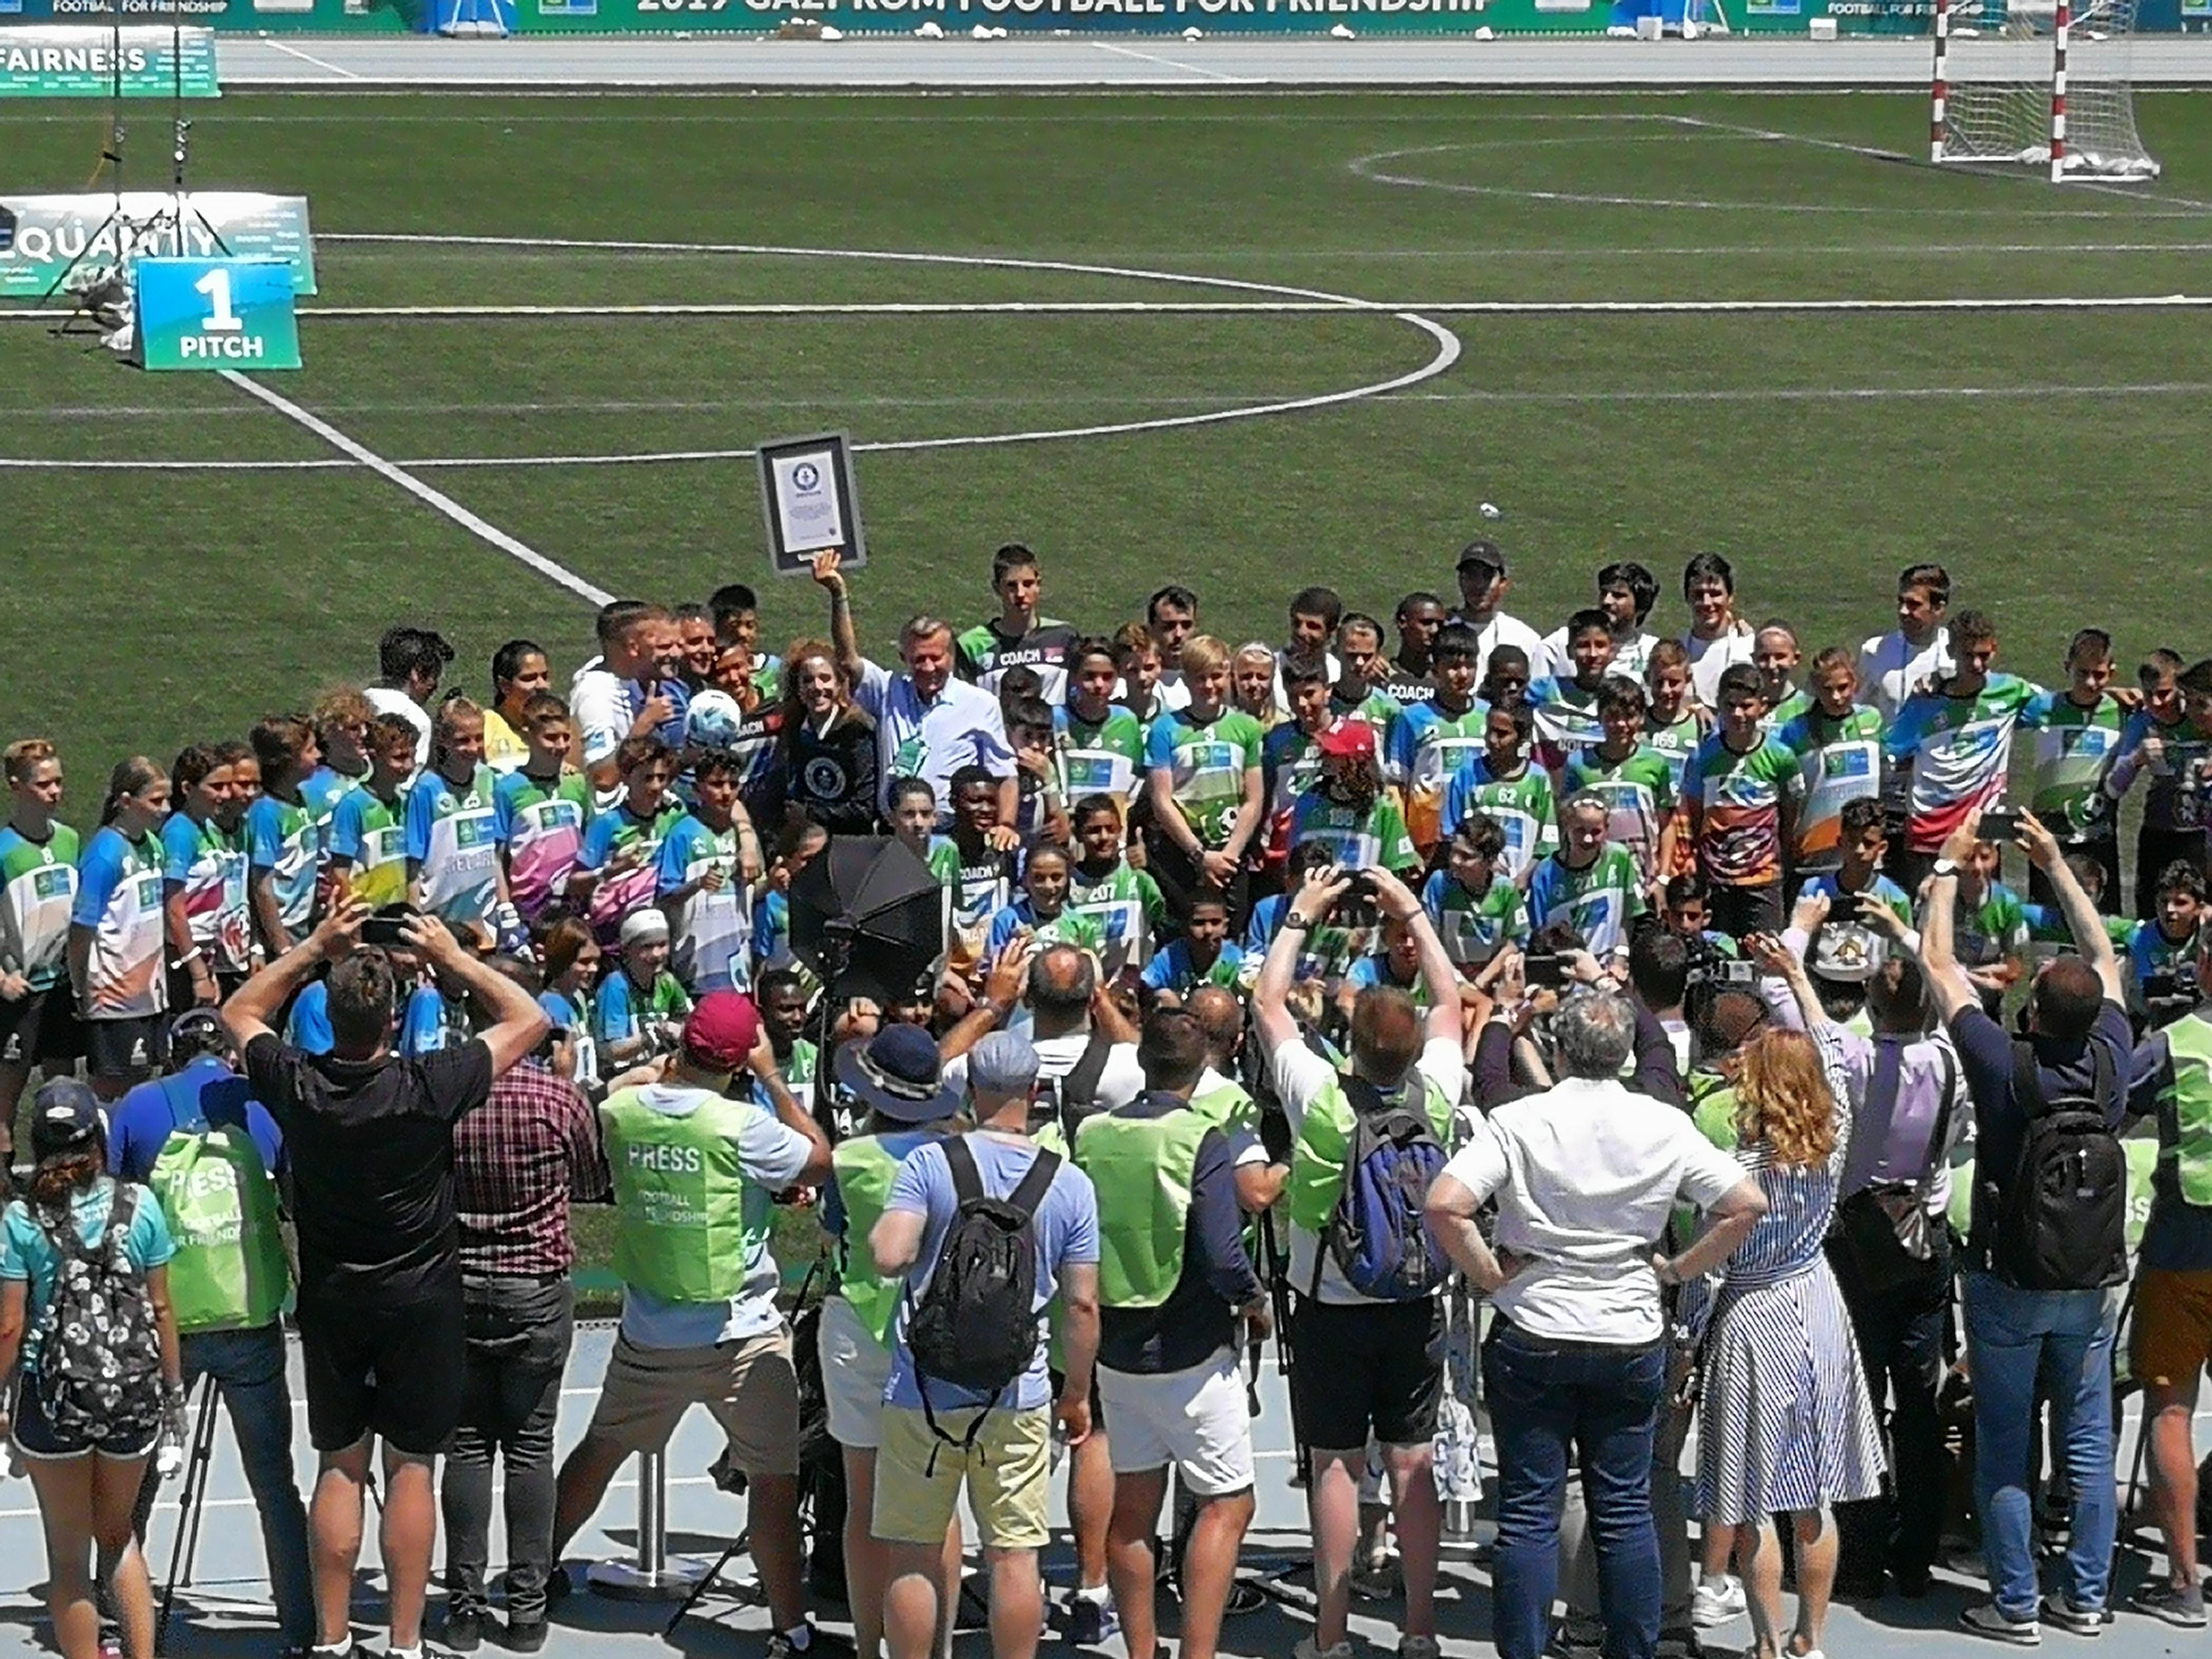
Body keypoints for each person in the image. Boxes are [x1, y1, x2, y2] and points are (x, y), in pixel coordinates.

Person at [221, 897, 549, 1659]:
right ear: (394, 1021)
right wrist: (452, 958)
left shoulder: (299, 1082)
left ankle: (332, 1639)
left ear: (327, 1019)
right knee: (411, 1470)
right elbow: (529, 1018)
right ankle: (404, 1642)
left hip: (335, 1298)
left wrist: (313, 946)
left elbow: (239, 1011)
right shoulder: (428, 1084)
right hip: (421, 1300)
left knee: (340, 1465)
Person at [1425, 991, 1766, 1659]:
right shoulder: (1663, 1123)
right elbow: (1744, 1203)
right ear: (1626, 1054)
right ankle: (1632, 1649)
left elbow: (1445, 1204)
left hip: (1535, 1325)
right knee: (1624, 1508)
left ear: (1557, 1051)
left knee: (1528, 1512)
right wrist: (1677, 1268)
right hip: (1627, 1328)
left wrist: (1489, 1273)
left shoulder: (1520, 1119)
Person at [1919, 808, 2130, 1642]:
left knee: (2007, 1442)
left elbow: (1939, 965)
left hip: (2008, 1277)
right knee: (2089, 1440)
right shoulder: (2112, 1056)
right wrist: (2055, 864)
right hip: (2088, 1277)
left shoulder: (2004, 1065)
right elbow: (2104, 956)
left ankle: (2014, 1602)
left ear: (2032, 1012)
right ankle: (2085, 1596)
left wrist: (1944, 870)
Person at [1253, 864, 1463, 1659]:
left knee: (1335, 1467)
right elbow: (1451, 1002)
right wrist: (1411, 910)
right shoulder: (1436, 1090)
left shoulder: (1320, 1095)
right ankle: (1420, 1629)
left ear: (1351, 1046)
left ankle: (1331, 1634)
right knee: (1413, 1463)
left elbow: (1268, 1003)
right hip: (1414, 1302)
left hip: (1330, 1305)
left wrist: (1301, 914)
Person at [865, 1032, 1099, 1659]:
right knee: (1014, 1557)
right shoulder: (1069, 1184)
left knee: (913, 1554)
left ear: (970, 1091)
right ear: (1034, 1092)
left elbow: (888, 1255)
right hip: (1016, 1391)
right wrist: (1076, 1393)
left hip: (923, 1391)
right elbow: (1082, 1305)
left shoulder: (928, 1164)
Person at [110, 1009, 313, 1653]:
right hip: (250, 1316)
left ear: (172, 1054)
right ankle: (302, 1624)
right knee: (274, 1482)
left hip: (169, 1318)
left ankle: (120, 1617)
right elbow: (291, 1200)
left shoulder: (140, 1105)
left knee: (139, 1477)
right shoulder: (262, 1105)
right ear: (227, 1055)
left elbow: (116, 1202)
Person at [1685, 1026, 1888, 1659]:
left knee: (1752, 1496)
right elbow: (1836, 1057)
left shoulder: (1737, 1171)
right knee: (1812, 1496)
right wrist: (1799, 982)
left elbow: (1708, 1268)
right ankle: (1810, 1638)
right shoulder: (1830, 1146)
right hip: (1817, 1304)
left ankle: (1768, 1642)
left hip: (1754, 1313)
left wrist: (1687, 1337)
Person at [1074, 1007, 1268, 1659]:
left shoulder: (1093, 1133)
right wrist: (1252, 1301)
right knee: (1226, 1505)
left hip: (1117, 1350)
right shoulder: (1200, 1136)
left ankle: (1141, 1650)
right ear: (1203, 1064)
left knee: (1133, 1511)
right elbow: (1221, 1251)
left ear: (1141, 1062)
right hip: (1192, 1349)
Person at [440, 981, 609, 1652]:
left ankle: (463, 1608)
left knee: (468, 1447)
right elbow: (592, 1184)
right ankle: (527, 1609)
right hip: (534, 1287)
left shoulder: (444, 1094)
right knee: (530, 1447)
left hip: (459, 1285)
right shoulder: (557, 1099)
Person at [0, 1079, 186, 1659]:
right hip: (131, 1395)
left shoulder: (22, 1219)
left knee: (68, 1557)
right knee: (119, 1536)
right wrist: (173, 1397)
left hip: (50, 1399)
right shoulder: (140, 1204)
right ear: (98, 1140)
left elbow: (9, 1325)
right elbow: (161, 1308)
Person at [820, 1025, 968, 1659]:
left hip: (859, 1326)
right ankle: (939, 1646)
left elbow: (831, 1233)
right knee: (939, 1504)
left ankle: (868, 1644)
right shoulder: (959, 1156)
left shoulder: (848, 1158)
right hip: (937, 1333)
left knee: (864, 1502)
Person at [2123, 916, 2212, 1628]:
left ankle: (2183, 1582)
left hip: (2181, 1247)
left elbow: (2106, 1110)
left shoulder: (2170, 1043)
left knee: (2170, 1409)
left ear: (2202, 970)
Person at [816, 551, 1018, 830]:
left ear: (951, 656)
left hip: (952, 833)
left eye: (936, 658)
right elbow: (847, 661)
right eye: (919, 659)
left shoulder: (981, 704)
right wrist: (838, 595)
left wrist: (1005, 825)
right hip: (895, 832)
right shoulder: (888, 691)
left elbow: (1004, 773)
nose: (928, 667)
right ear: (904, 658)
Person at [1882, 609, 2037, 894]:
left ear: (1994, 649)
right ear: (1951, 651)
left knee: (1983, 917)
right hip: (1930, 834)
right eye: (1968, 655)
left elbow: (2067, 706)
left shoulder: (2012, 692)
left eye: (1984, 655)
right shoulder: (1925, 702)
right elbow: (1891, 751)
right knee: (1928, 916)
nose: (1977, 664)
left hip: (1983, 836)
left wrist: (2114, 695)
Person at [1143, 634, 1265, 928]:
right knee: (1182, 932)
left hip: (1230, 856)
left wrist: (1230, 855)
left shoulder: (1247, 727)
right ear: (1186, 680)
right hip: (1183, 853)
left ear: (1228, 674)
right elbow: (1162, 800)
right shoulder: (1165, 728)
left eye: (1216, 676)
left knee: (1230, 933)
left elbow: (1253, 799)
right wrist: (1199, 855)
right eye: (1200, 678)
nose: (1209, 686)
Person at [0, 738, 83, 1162]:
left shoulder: (69, 840)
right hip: (21, 991)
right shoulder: (4, 851)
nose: (55, 792)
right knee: (6, 1098)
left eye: (59, 782)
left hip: (62, 988)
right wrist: (2, 979)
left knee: (61, 1090)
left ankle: (58, 1172)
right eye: (44, 784)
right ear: (16, 786)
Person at [71, 758, 173, 1100]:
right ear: (126, 802)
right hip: (114, 997)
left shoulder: (153, 845)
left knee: (142, 1085)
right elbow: (81, 930)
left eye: (167, 799)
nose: (165, 809)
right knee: (111, 1090)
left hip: (150, 994)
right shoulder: (105, 854)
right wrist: (81, 988)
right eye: (156, 801)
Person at [1682, 663, 1798, 939]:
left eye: (1746, 706)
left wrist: (1780, 859)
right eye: (1730, 705)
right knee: (1720, 952)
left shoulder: (1782, 757)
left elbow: (1790, 813)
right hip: (1716, 878)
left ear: (1762, 706)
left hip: (1763, 878)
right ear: (1719, 705)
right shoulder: (1702, 757)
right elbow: (1695, 816)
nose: (1738, 714)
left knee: (1765, 953)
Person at [2019, 628, 2127, 909]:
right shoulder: (2042, 707)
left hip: (2098, 838)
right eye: (2082, 673)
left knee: (2101, 924)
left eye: (2099, 675)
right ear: (2068, 667)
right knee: (2047, 924)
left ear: (2112, 672)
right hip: (2049, 838)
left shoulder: (2122, 712)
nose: (2091, 682)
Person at [656, 748, 763, 996]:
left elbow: (753, 893)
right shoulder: (682, 833)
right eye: (716, 784)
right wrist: (697, 884)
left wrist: (773, 883)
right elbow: (665, 897)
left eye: (733, 785)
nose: (726, 793)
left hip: (740, 964)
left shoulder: (745, 836)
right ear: (697, 790)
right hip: (696, 964)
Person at [1772, 647, 1885, 877]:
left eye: (1843, 688)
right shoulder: (1796, 729)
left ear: (1855, 683)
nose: (1836, 697)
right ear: (1815, 687)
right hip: (1814, 850)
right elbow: (1782, 791)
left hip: (1864, 851)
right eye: (1827, 689)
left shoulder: (1872, 719)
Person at [1385, 621, 1490, 858]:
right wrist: (1401, 847)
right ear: (1435, 669)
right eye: (1453, 667)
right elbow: (1397, 786)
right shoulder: (1412, 718)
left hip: (1478, 839)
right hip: (1428, 840)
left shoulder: (1489, 716)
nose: (1463, 675)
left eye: (1470, 666)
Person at [569, 599, 690, 802]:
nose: (676, 653)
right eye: (660, 643)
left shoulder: (624, 679)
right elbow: (603, 777)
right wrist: (644, 725)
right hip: (609, 816)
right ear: (634, 647)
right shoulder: (596, 693)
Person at [406, 697, 509, 937]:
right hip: (441, 921)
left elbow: (496, 855)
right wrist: (416, 922)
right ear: (444, 740)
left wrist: (506, 908)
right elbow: (413, 867)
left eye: (479, 738)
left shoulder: (488, 779)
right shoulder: (426, 789)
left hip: (485, 920)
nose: (473, 748)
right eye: (463, 740)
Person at [159, 744, 250, 1013]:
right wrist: (198, 972)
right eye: (216, 787)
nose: (226, 795)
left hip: (206, 953)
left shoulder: (208, 828)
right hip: (182, 957)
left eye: (228, 786)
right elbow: (173, 908)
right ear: (187, 788)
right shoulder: (179, 833)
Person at [492, 695, 593, 928]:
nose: (561, 746)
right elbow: (497, 856)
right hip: (530, 905)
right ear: (527, 736)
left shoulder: (576, 783)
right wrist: (505, 907)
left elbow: (586, 842)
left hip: (573, 902)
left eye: (566, 737)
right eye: (550, 738)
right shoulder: (508, 788)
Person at [1528, 792, 1647, 969]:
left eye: (1596, 832)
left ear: (1607, 828)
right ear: (1567, 826)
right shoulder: (1545, 873)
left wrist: (1620, 960)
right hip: (1566, 971)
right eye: (1580, 831)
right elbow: (1539, 935)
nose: (1588, 839)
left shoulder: (1620, 859)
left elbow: (1628, 917)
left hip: (1607, 970)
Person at [777, 639, 881, 837]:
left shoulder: (857, 733)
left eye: (825, 679)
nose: (817, 687)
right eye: (808, 680)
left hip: (851, 841)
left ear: (839, 684)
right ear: (798, 688)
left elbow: (865, 809)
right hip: (808, 839)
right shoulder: (795, 731)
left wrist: (811, 813)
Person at [958, 543, 1080, 704]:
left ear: (1038, 585)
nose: (1021, 594)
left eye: (1028, 584)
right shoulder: (972, 645)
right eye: (1011, 586)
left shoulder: (1064, 637)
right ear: (997, 588)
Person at [244, 716, 323, 962]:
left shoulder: (302, 799)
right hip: (284, 927)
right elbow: (262, 887)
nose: (319, 755)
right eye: (311, 750)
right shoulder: (266, 812)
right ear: (288, 762)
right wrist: (281, 946)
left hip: (305, 921)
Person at [1855, 562, 1953, 722]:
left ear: (1938, 609)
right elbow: (1854, 710)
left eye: (1914, 605)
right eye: (1901, 602)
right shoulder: (1875, 651)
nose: (1903, 611)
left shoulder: (1958, 654)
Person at [1445, 539, 1545, 685]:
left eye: (1487, 576)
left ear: (1503, 584)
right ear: (1460, 581)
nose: (1478, 585)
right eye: (1471, 575)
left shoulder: (1524, 638)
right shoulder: (1443, 632)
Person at [366, 625, 455, 768]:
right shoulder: (417, 720)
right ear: (416, 673)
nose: (435, 686)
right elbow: (412, 775)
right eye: (434, 676)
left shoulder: (358, 704)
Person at [1679, 554, 1756, 710]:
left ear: (1730, 597)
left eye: (1715, 594)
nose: (1707, 603)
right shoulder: (1677, 653)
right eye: (1699, 595)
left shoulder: (1750, 648)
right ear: (1687, 598)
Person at [482, 639, 554, 773]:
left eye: (545, 677)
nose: (542, 686)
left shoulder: (559, 728)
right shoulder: (485, 727)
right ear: (505, 686)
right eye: (529, 678)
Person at [1382, 593, 1445, 707]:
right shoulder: (1381, 676)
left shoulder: (1444, 682)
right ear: (1403, 622)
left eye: (1440, 625)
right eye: (1426, 623)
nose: (1435, 630)